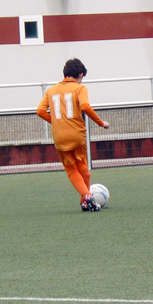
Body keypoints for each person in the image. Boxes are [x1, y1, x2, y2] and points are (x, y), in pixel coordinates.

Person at [37, 58, 110, 212]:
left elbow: (40, 111)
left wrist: (56, 122)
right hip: (77, 134)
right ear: (80, 74)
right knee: (83, 167)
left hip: (59, 136)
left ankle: (86, 199)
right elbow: (85, 106)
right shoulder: (80, 88)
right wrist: (101, 123)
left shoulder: (51, 90)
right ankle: (87, 198)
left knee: (71, 169)